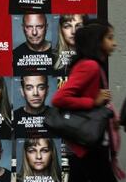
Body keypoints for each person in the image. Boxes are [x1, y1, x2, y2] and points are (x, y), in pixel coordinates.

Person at [52, 20, 122, 182]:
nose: (114, 43)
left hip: (86, 144)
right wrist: (93, 102)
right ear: (97, 41)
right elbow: (59, 98)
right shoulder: (90, 66)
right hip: (88, 145)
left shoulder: (92, 65)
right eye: (110, 38)